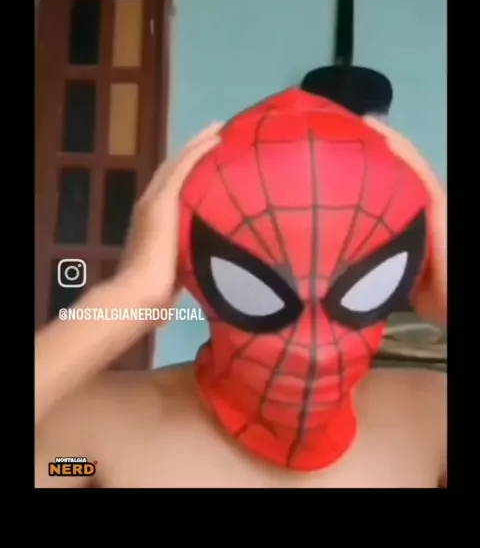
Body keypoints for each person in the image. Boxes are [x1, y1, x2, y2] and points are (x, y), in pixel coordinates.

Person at [35, 118, 446, 489]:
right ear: (194, 272)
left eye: (358, 288)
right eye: (258, 288)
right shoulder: (98, 451)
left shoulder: (429, 430)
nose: (314, 348)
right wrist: (131, 294)